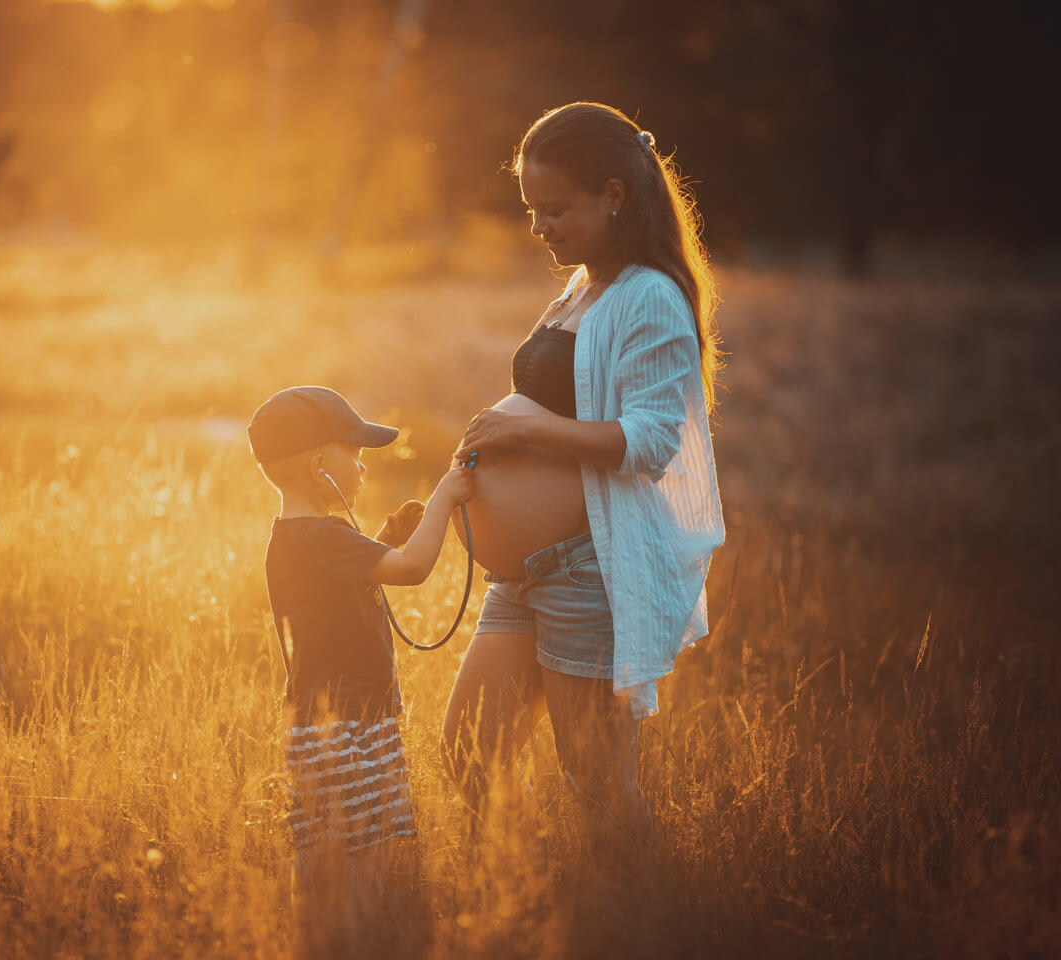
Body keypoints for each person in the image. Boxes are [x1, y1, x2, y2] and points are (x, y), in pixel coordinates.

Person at [440, 101, 725, 854]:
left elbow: (650, 442)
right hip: (525, 574)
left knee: (597, 782)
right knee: (471, 753)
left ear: (614, 195)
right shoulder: (582, 289)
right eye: (532, 211)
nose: (541, 230)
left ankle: (642, 919)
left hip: (586, 568)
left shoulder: (650, 297)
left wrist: (526, 430)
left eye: (556, 209)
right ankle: (524, 903)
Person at [247, 385, 473, 949]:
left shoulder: (295, 538)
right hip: (352, 728)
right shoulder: (326, 536)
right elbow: (415, 568)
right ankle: (355, 940)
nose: (364, 467)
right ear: (320, 465)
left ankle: (318, 939)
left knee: (320, 852)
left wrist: (382, 540)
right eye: (355, 454)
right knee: (362, 860)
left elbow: (338, 591)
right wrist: (445, 497)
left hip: (317, 727)